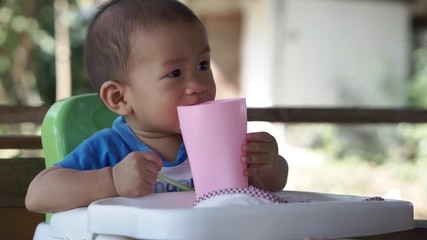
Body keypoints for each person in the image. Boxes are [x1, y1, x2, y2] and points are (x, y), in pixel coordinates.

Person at [25, 0, 289, 213]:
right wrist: (112, 181)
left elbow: (262, 192)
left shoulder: (220, 142)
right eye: (175, 73)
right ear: (119, 98)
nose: (197, 84)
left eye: (203, 65)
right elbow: (37, 195)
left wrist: (270, 168)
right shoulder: (109, 150)